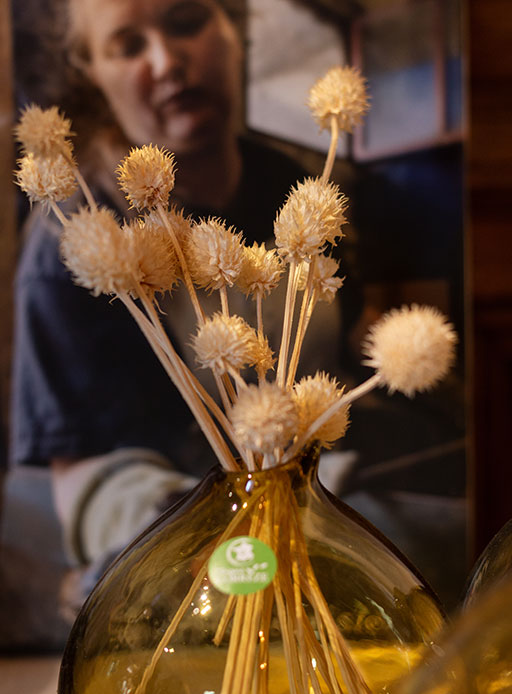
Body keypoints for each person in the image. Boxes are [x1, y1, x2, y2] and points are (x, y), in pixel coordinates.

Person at [5, 0, 352, 643]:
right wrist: (241, 526)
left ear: (234, 30)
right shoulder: (76, 240)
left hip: (320, 506)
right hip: (173, 563)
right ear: (94, 73)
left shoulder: (303, 192)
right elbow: (86, 478)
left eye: (188, 20)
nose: (167, 62)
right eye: (128, 45)